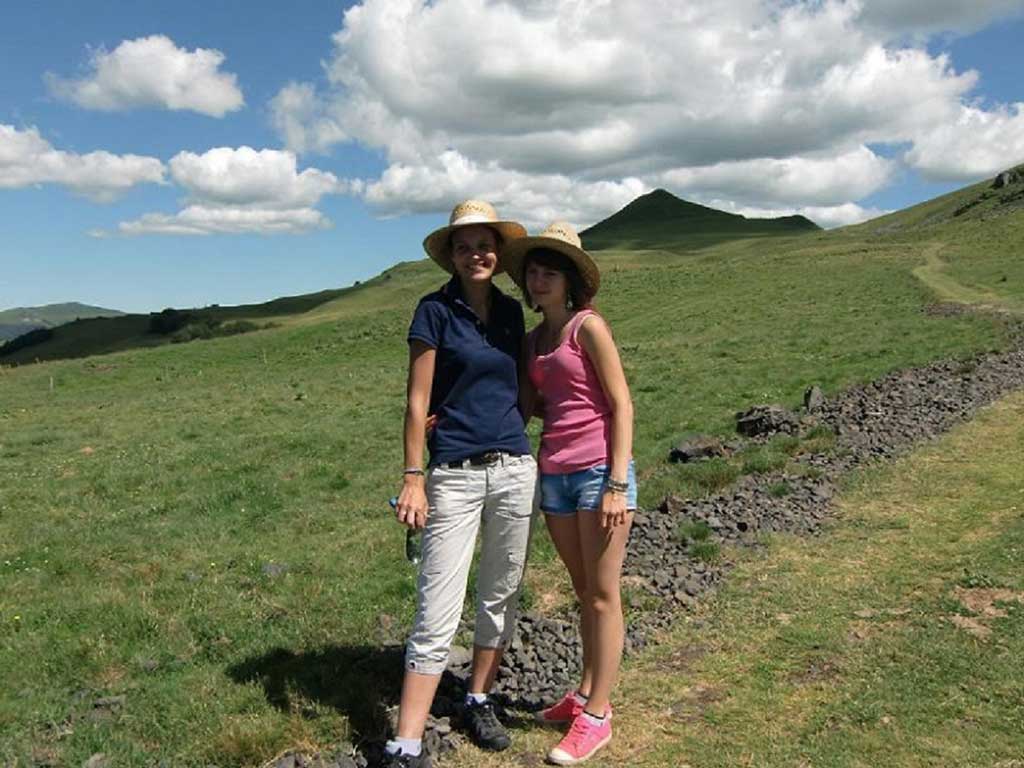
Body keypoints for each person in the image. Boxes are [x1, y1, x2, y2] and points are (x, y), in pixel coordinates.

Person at [385, 200, 538, 768]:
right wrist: (413, 476)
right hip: (452, 476)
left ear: (498, 256)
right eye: (465, 245)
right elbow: (416, 400)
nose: (477, 253)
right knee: (437, 606)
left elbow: (522, 386)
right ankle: (405, 741)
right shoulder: (433, 311)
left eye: (486, 244)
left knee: (500, 591)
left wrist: (508, 432)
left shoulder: (508, 312)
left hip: (515, 469)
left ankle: (478, 698)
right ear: (450, 255)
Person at [503, 222, 637, 765]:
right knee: (584, 591)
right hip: (554, 474)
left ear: (569, 281)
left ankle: (598, 716)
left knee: (604, 595)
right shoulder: (534, 341)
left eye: (548, 273)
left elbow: (622, 404)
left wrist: (617, 483)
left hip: (599, 473)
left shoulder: (589, 328)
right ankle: (584, 692)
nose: (538, 282)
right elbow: (534, 407)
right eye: (533, 273)